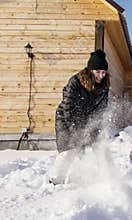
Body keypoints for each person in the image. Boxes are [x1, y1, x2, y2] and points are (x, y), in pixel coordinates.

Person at [49, 49, 110, 185]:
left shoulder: (104, 86)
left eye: (103, 72)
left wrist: (95, 128)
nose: (101, 75)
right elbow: (68, 108)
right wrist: (77, 130)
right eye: (98, 72)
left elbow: (101, 110)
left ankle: (99, 178)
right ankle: (55, 181)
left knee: (97, 148)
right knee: (69, 150)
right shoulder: (76, 82)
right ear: (90, 70)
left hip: (87, 119)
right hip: (65, 118)